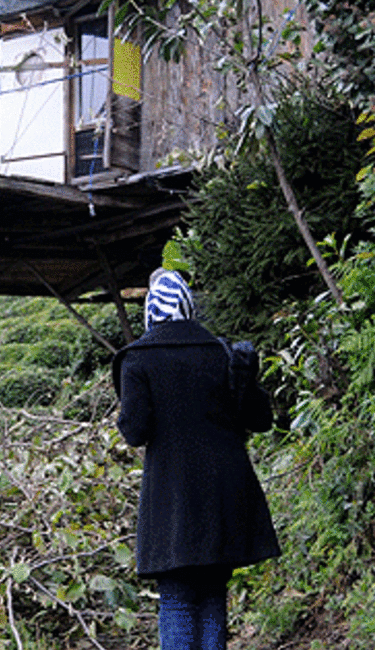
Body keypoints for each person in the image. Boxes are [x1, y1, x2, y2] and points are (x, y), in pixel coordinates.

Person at [110, 268, 281, 650]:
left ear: (151, 313)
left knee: (177, 597)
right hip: (224, 493)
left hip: (172, 499)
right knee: (211, 593)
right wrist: (246, 378)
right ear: (189, 307)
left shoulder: (138, 360)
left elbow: (134, 430)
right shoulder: (222, 353)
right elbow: (260, 420)